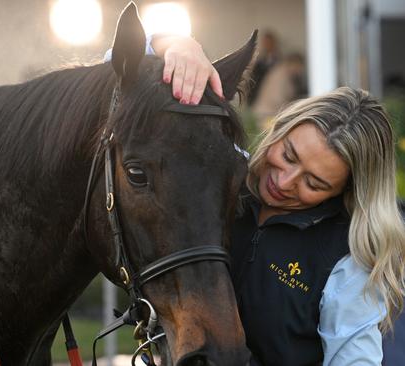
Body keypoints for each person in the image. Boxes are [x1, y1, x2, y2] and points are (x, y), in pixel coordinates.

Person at [144, 34, 405, 365]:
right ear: (280, 130)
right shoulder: (216, 181)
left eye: (314, 182)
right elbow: (115, 69)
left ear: (344, 191)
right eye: (289, 154)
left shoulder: (346, 258)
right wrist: (178, 46)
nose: (284, 181)